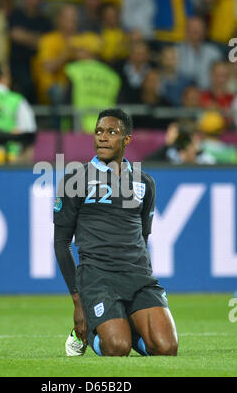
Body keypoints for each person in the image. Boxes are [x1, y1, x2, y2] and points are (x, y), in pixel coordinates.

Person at [54, 108, 178, 357]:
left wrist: (142, 270)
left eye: (112, 132)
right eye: (99, 131)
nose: (103, 137)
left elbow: (143, 237)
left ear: (127, 139)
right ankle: (92, 333)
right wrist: (78, 302)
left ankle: (127, 323)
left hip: (138, 277)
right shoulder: (74, 179)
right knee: (116, 348)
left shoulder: (145, 182)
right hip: (97, 278)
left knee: (166, 348)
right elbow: (62, 243)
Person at [9, 0, 52, 104]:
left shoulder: (45, 21)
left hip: (40, 62)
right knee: (26, 83)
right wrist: (37, 39)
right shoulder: (16, 15)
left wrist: (26, 36)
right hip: (19, 62)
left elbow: (47, 42)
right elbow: (15, 35)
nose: (34, 1)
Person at [176, 16, 223, 89]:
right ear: (186, 31)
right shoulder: (176, 51)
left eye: (198, 28)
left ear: (204, 32)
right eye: (192, 28)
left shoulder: (213, 53)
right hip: (182, 93)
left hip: (208, 93)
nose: (195, 31)